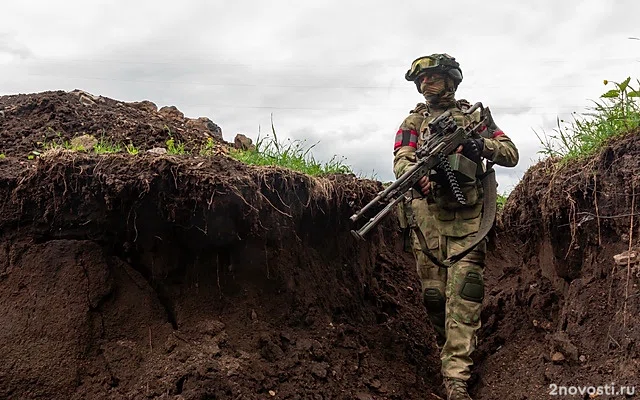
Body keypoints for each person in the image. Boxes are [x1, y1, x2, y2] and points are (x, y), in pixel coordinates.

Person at [393, 53, 519, 400]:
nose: (424, 86)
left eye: (431, 78)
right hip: (426, 224)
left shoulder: (474, 116)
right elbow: (401, 159)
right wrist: (415, 179)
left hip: (468, 221)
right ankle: (445, 351)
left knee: (465, 295)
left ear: (450, 80)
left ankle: (456, 380)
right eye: (421, 81)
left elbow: (510, 153)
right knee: (434, 298)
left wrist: (480, 145)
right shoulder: (413, 122)